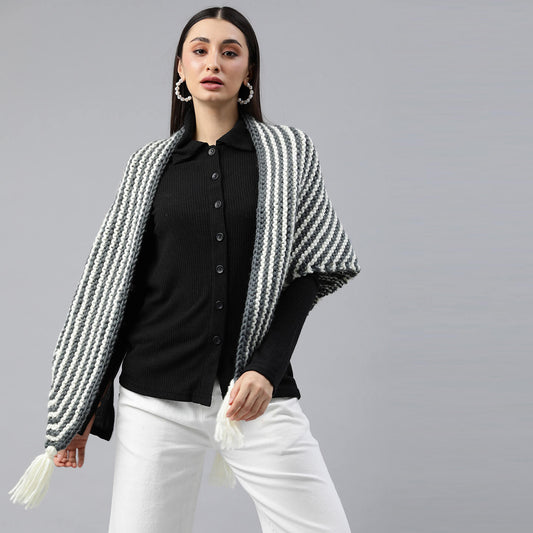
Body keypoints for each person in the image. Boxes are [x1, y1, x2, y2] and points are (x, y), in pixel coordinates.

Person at [9, 6, 361, 532]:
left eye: (229, 52)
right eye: (200, 50)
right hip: (154, 396)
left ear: (248, 70)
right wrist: (88, 401)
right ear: (181, 67)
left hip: (253, 392)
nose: (213, 62)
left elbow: (310, 271)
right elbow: (121, 288)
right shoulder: (148, 165)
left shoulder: (289, 153)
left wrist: (266, 369)